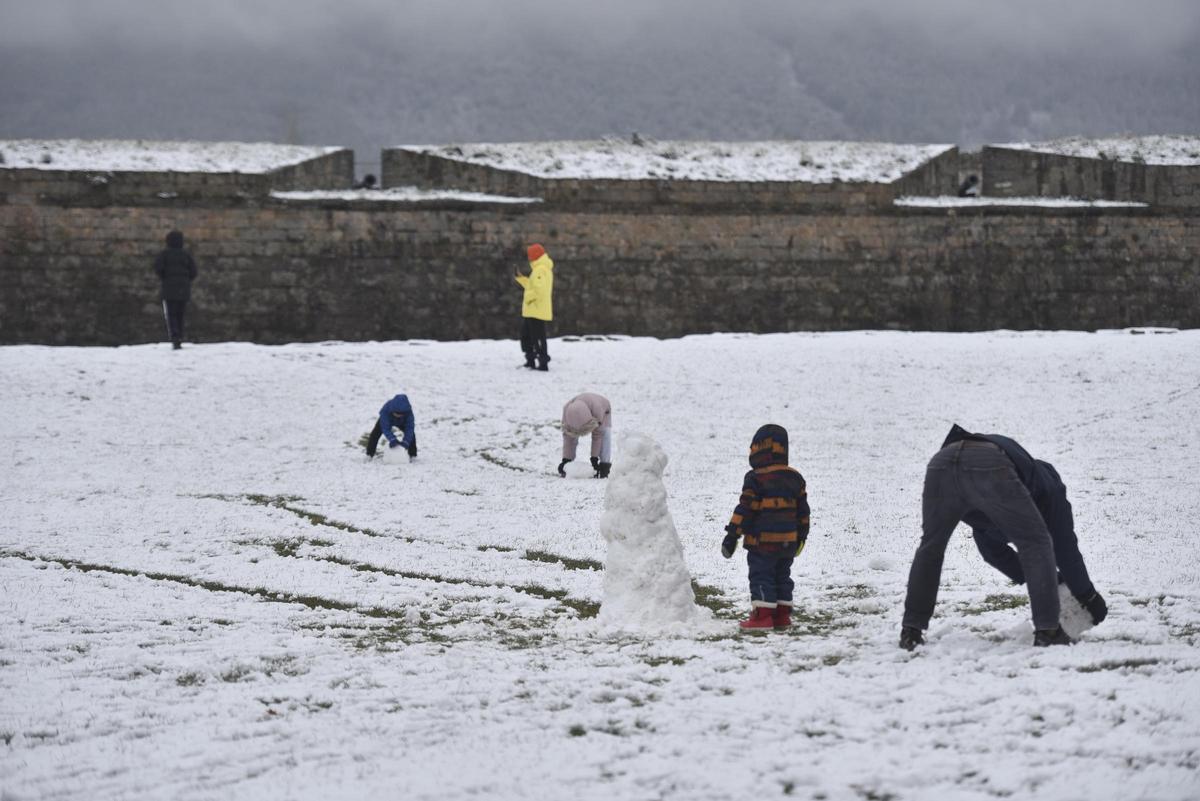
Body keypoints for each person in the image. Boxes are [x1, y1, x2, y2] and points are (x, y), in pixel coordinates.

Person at [900, 424, 1107, 650]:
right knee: (1036, 543)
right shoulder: (1051, 490)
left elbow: (992, 551)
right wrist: (1089, 596)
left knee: (931, 548)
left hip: (942, 462)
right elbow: (1065, 551)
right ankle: (1048, 630)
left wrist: (1052, 582)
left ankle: (911, 630)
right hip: (989, 463)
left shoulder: (1000, 505)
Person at [720, 424, 811, 631]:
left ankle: (762, 616)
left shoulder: (755, 478)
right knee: (782, 574)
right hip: (789, 540)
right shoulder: (795, 478)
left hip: (762, 542)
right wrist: (802, 536)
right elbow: (803, 511)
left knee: (761, 574)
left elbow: (745, 508)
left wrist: (732, 535)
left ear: (760, 450)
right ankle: (781, 615)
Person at [154, 230, 197, 349]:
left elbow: (158, 268)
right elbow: (194, 271)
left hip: (169, 288)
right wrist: (186, 280)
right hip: (183, 288)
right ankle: (180, 336)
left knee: (171, 313)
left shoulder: (164, 255)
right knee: (180, 314)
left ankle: (174, 336)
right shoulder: (186, 255)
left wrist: (165, 278)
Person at [515, 243, 554, 371]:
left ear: (534, 256)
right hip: (533, 310)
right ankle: (531, 360)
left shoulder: (540, 270)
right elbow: (533, 286)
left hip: (536, 310)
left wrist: (528, 298)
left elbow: (539, 290)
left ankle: (542, 363)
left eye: (530, 256)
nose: (529, 258)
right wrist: (521, 279)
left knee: (537, 338)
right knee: (527, 337)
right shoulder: (539, 269)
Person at [558, 392, 612, 478]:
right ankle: (568, 462)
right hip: (586, 406)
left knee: (604, 434)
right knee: (570, 434)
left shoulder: (598, 409)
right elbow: (568, 437)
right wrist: (566, 460)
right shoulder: (566, 409)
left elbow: (597, 437)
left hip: (604, 410)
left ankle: (605, 465)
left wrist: (594, 459)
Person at [366, 394, 418, 460]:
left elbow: (409, 428)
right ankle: (369, 454)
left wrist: (406, 441)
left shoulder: (408, 413)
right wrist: (392, 439)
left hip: (402, 422)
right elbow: (385, 428)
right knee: (375, 433)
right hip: (387, 420)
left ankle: (413, 455)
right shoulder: (386, 410)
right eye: (396, 413)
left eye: (400, 414)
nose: (398, 415)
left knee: (412, 435)